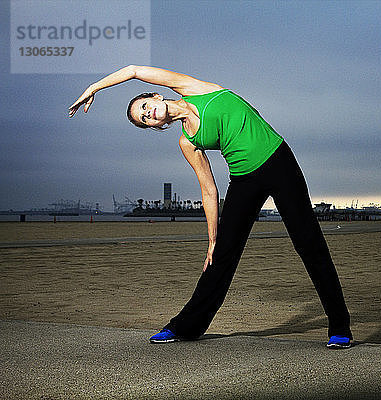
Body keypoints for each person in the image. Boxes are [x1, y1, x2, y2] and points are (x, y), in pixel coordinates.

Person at [69, 65, 353, 349]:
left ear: (155, 96)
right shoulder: (187, 141)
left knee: (308, 243)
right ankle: (186, 326)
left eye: (145, 107)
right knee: (219, 257)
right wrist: (212, 239)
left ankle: (339, 326)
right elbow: (208, 190)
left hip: (279, 162)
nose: (148, 114)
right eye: (144, 120)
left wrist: (94, 87)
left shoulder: (193, 88)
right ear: (153, 127)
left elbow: (132, 70)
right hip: (244, 180)